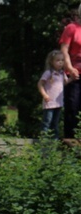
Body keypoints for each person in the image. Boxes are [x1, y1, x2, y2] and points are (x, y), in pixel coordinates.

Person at [61, 3, 81, 139]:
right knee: (73, 106)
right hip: (74, 74)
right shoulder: (72, 28)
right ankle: (70, 140)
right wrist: (70, 68)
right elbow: (64, 50)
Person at [38, 49, 68, 139]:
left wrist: (73, 78)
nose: (60, 62)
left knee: (55, 122)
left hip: (58, 103)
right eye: (58, 60)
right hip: (50, 102)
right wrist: (44, 95)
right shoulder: (49, 73)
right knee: (47, 121)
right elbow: (40, 84)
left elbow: (65, 83)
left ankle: (54, 140)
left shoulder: (62, 73)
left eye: (62, 60)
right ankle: (44, 140)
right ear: (51, 61)